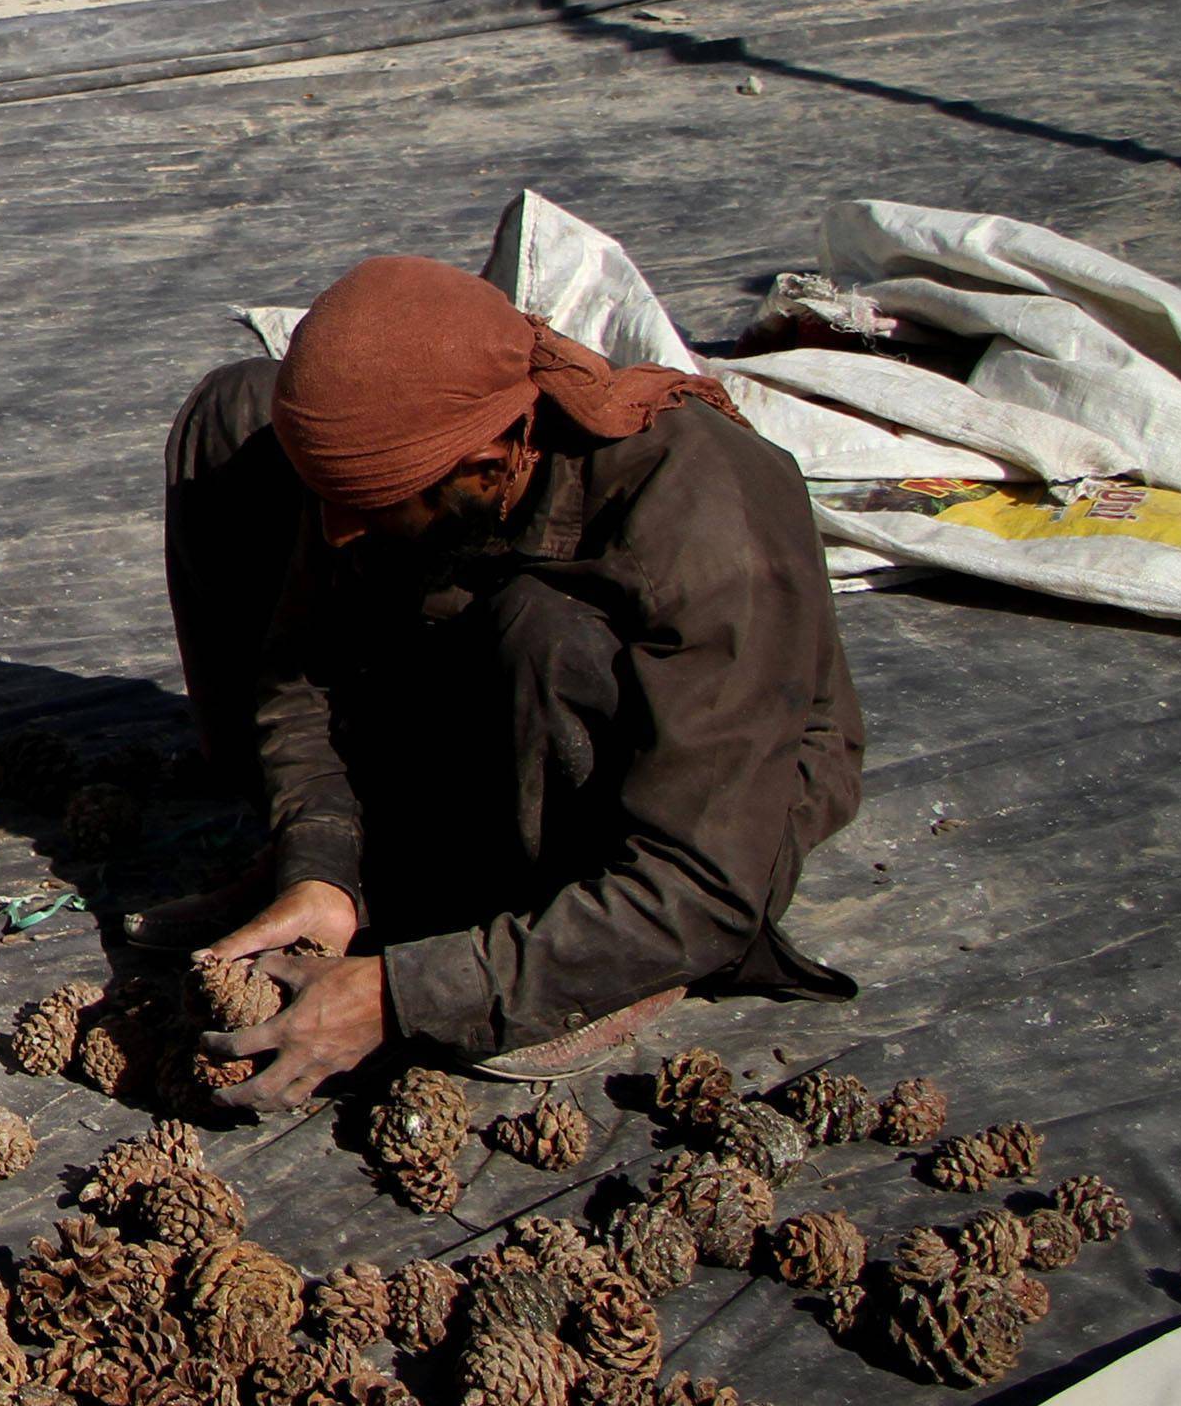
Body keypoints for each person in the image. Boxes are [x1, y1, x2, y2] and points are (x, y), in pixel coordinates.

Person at [162, 254, 864, 1110]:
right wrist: (320, 858)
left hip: (685, 831)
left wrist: (405, 995)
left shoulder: (709, 524)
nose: (337, 533)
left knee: (542, 631)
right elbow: (299, 663)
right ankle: (350, 882)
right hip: (468, 677)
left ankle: (580, 951)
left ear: (491, 462)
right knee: (237, 415)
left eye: (373, 502)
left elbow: (705, 883)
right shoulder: (427, 480)